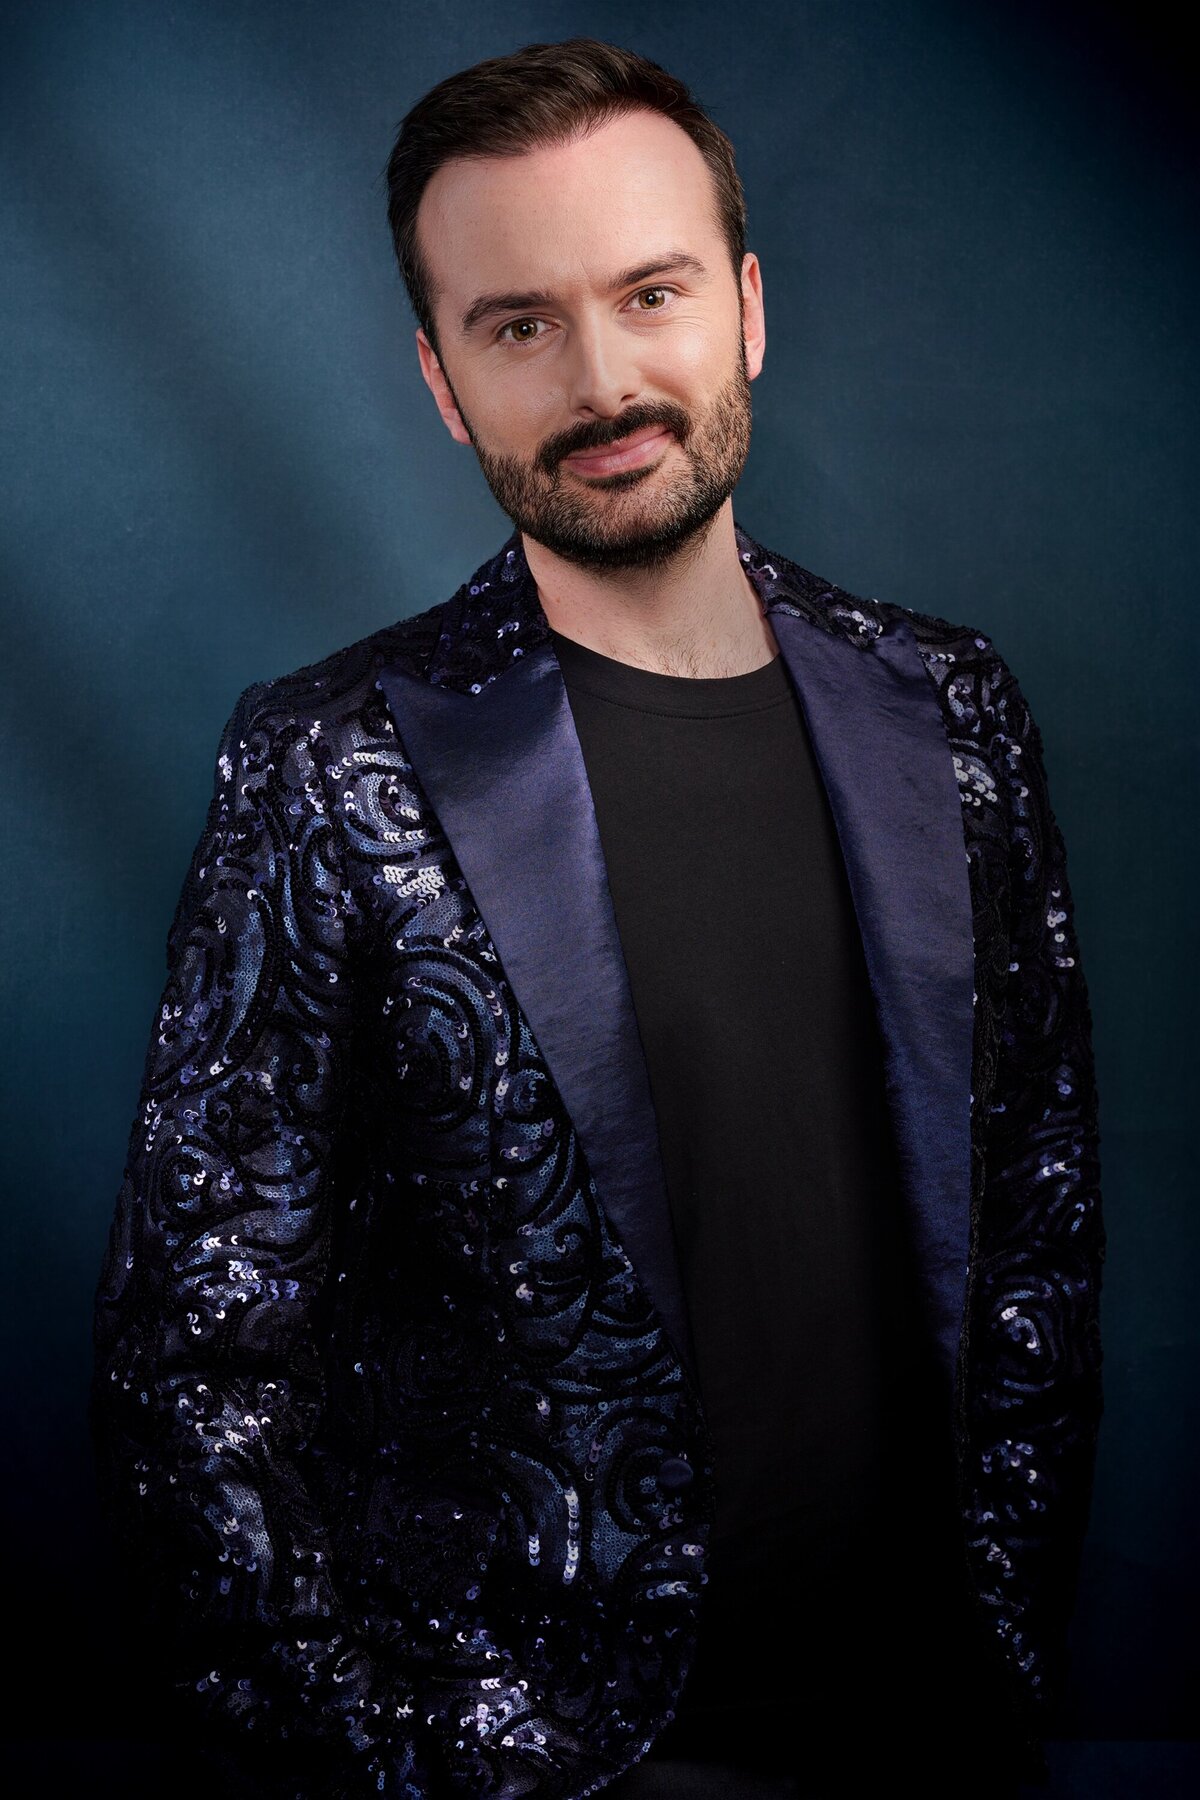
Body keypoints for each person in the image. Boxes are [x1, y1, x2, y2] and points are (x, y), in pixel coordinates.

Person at [89, 35, 1106, 1800]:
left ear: (748, 308)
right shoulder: (330, 768)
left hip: (934, 1732)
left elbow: (1037, 1232)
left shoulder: (955, 716)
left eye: (651, 294)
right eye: (519, 326)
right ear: (441, 382)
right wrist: (417, 1762)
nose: (605, 378)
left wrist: (1004, 1661)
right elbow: (197, 1359)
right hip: (547, 1769)